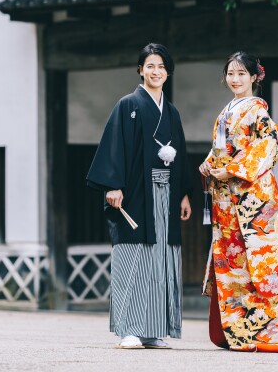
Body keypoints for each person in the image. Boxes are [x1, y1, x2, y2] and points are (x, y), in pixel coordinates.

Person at [199, 52, 278, 353]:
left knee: (257, 261)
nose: (235, 79)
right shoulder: (227, 110)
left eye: (242, 73)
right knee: (232, 260)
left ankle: (266, 331)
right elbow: (222, 149)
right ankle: (238, 332)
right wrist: (208, 164)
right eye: (231, 73)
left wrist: (233, 169)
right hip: (228, 199)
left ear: (255, 77)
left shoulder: (257, 110)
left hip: (251, 197)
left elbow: (269, 144)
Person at [87, 43, 192, 349]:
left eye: (161, 66)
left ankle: (153, 330)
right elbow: (114, 147)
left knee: (161, 260)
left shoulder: (171, 113)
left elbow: (182, 155)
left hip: (167, 194)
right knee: (133, 257)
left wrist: (184, 193)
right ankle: (129, 328)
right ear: (140, 70)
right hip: (135, 193)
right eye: (150, 66)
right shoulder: (128, 106)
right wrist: (113, 185)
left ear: (168, 72)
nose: (155, 71)